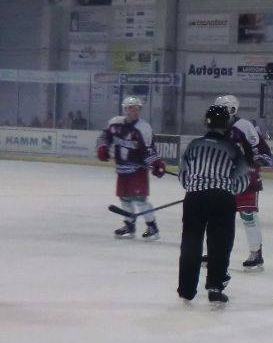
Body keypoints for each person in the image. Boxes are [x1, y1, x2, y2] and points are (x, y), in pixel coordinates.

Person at [176, 105, 250, 309]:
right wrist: (225, 188)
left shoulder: (193, 145)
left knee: (191, 244)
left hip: (194, 199)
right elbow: (243, 180)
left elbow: (183, 176)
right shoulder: (234, 148)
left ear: (206, 123)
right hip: (222, 200)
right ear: (226, 125)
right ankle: (215, 288)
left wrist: (196, 187)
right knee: (220, 244)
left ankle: (186, 290)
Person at [97, 96, 167, 240]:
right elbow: (104, 136)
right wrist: (103, 147)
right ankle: (129, 225)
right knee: (125, 199)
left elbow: (149, 149)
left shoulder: (143, 127)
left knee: (140, 199)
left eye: (137, 108)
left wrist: (156, 163)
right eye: (130, 108)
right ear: (124, 109)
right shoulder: (115, 123)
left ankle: (152, 226)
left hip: (137, 170)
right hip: (122, 169)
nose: (133, 111)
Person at [219, 95, 272, 272]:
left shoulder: (244, 126)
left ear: (232, 109)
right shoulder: (216, 128)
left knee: (247, 214)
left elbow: (261, 150)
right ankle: (216, 251)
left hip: (246, 178)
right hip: (224, 180)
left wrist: (258, 160)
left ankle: (256, 253)